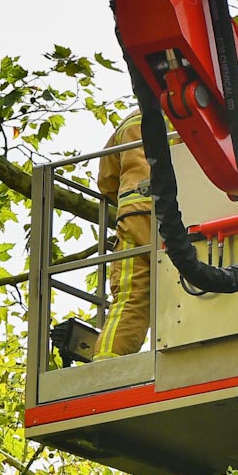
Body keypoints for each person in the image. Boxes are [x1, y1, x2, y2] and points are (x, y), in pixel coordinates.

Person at [89, 114, 153, 358]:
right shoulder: (198, 109)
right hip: (184, 215)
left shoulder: (131, 120)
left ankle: (107, 365)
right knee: (186, 289)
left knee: (130, 296)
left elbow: (106, 180)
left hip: (134, 214)